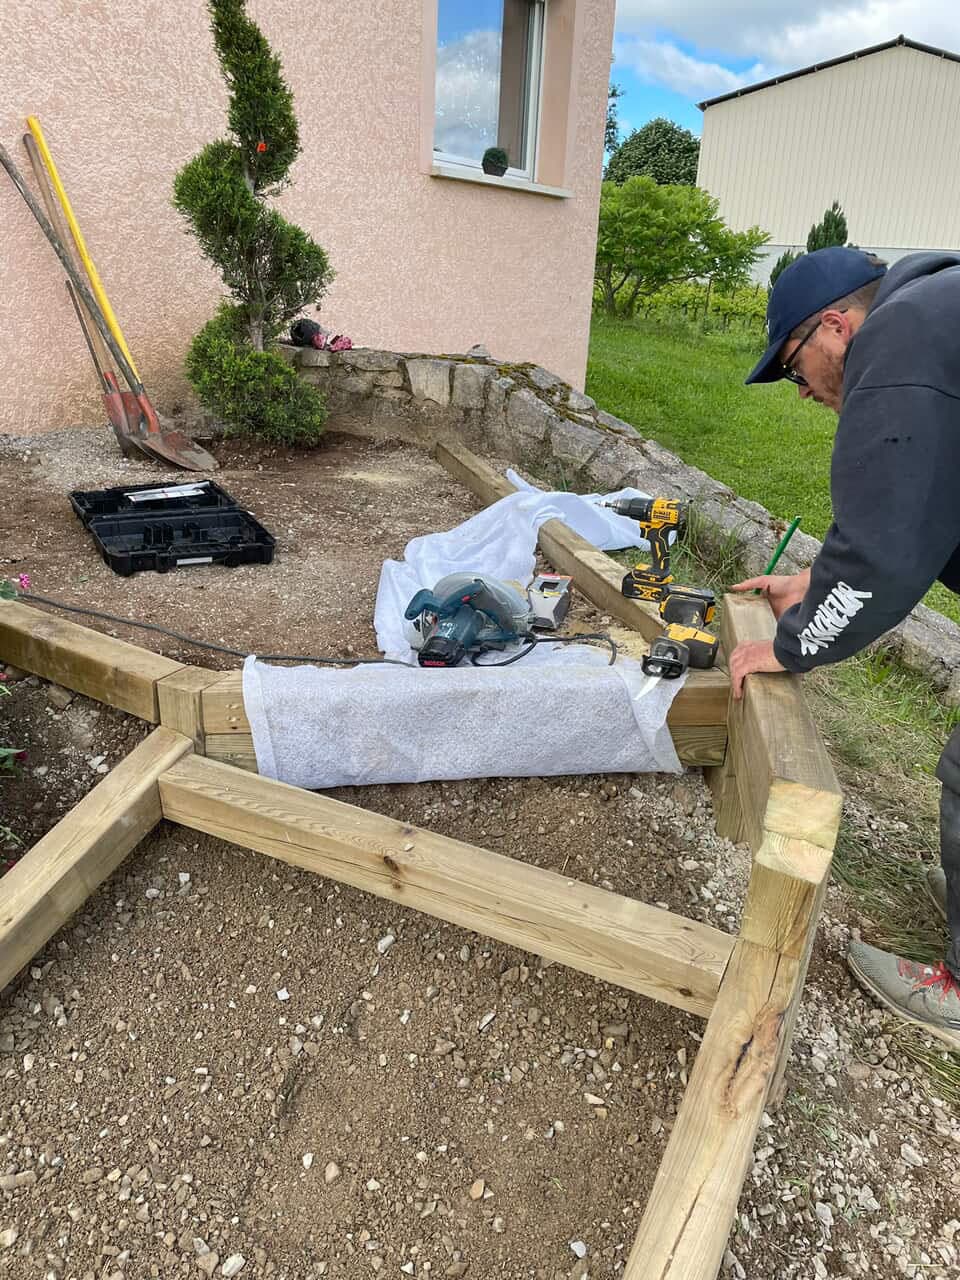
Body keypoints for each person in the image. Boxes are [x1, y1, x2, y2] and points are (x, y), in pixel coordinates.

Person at [728, 245, 960, 1050]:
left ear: (835, 324)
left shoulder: (897, 343)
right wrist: (816, 581)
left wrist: (791, 647)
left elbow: (884, 556)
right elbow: (921, 503)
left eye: (795, 368)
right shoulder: (934, 314)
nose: (802, 391)